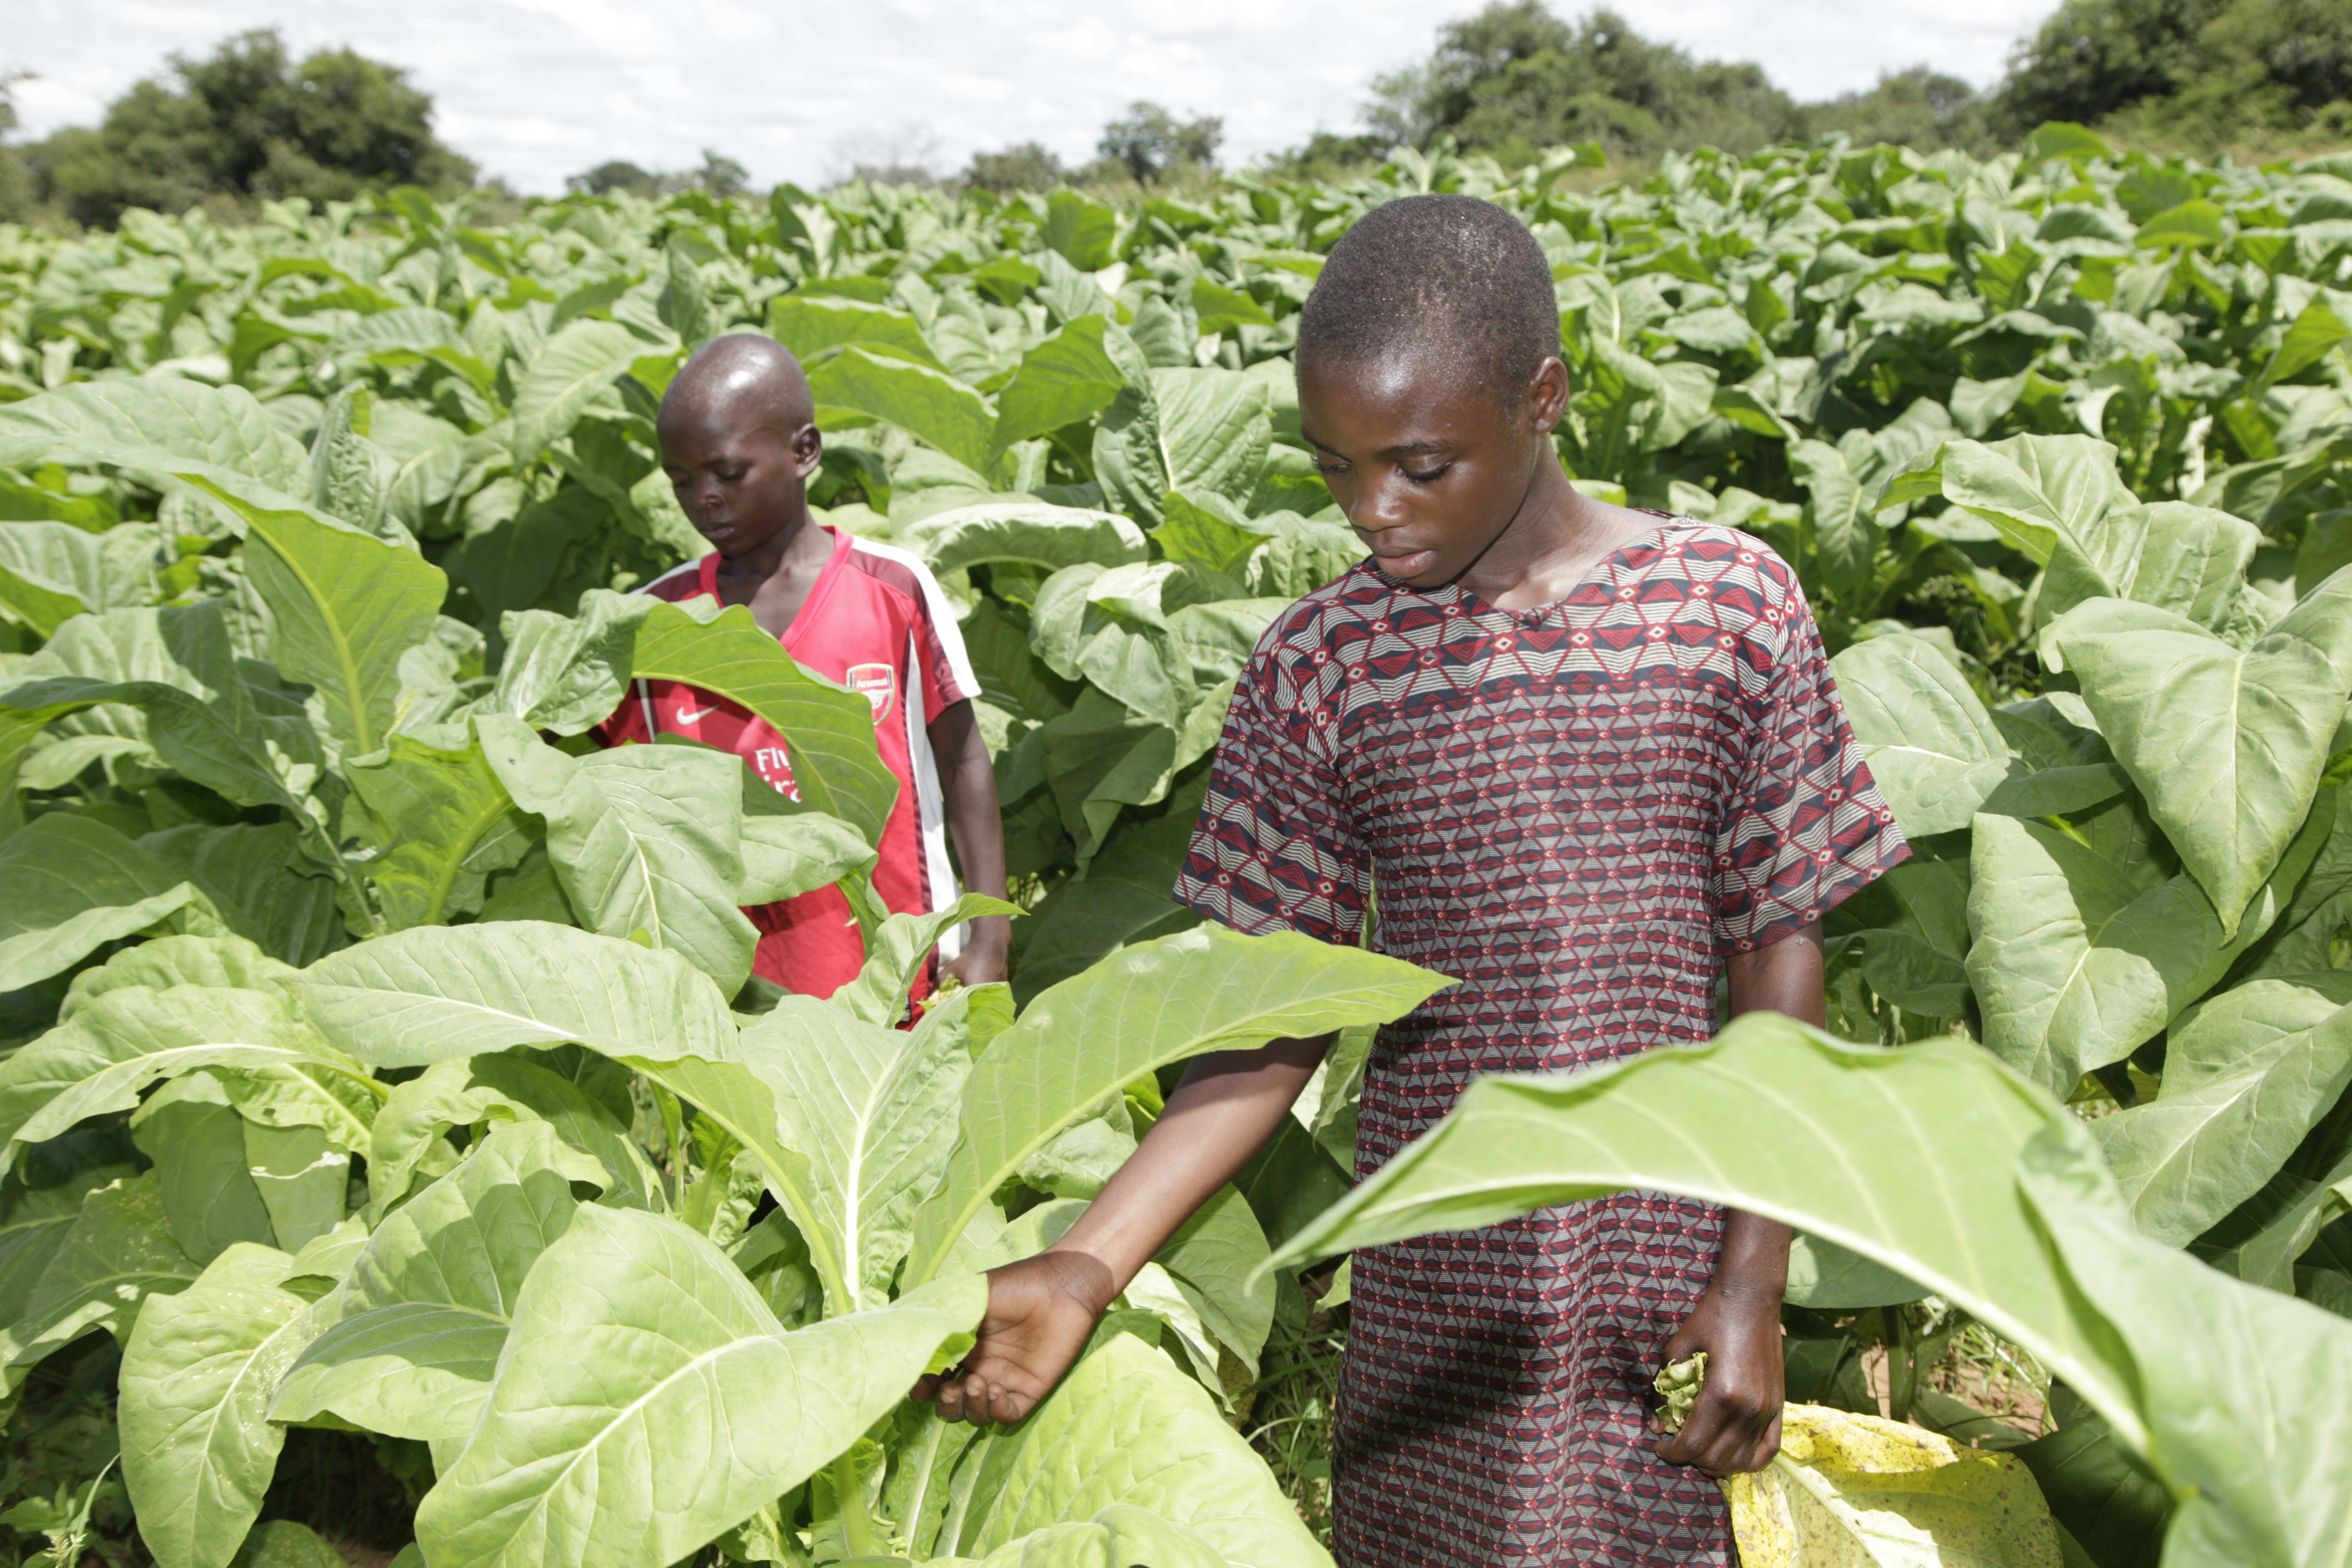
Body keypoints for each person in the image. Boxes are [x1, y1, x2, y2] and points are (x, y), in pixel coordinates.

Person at [913, 196, 1908, 1564]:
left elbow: (1776, 951)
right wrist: (1090, 1263)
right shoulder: (1321, 664)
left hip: (1667, 1255)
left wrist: (1753, 1276)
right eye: (1336, 468)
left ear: (1542, 398)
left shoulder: (1729, 604)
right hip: (1445, 1277)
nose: (1373, 511)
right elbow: (1269, 1024)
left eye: (1420, 466)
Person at [595, 334, 1011, 1000]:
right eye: (681, 481)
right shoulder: (650, 622)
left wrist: (991, 938)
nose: (703, 498)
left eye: (728, 473)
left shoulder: (893, 589)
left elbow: (963, 761)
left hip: (901, 974)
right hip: (729, 995)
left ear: (804, 452)